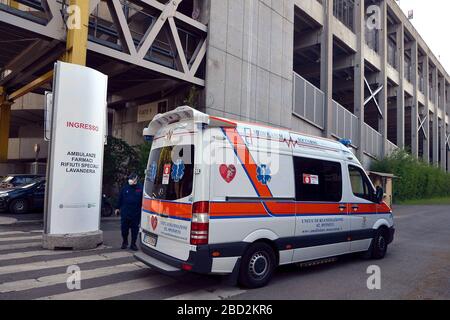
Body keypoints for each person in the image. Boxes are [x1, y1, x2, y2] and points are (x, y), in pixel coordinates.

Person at [115, 173, 143, 251]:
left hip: (135, 213)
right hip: (125, 213)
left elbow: (143, 201)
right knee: (124, 229)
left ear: (135, 179)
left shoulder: (140, 188)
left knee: (135, 230)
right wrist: (117, 208)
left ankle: (133, 244)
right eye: (129, 179)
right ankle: (125, 242)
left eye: (131, 179)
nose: (129, 180)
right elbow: (120, 198)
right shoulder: (125, 188)